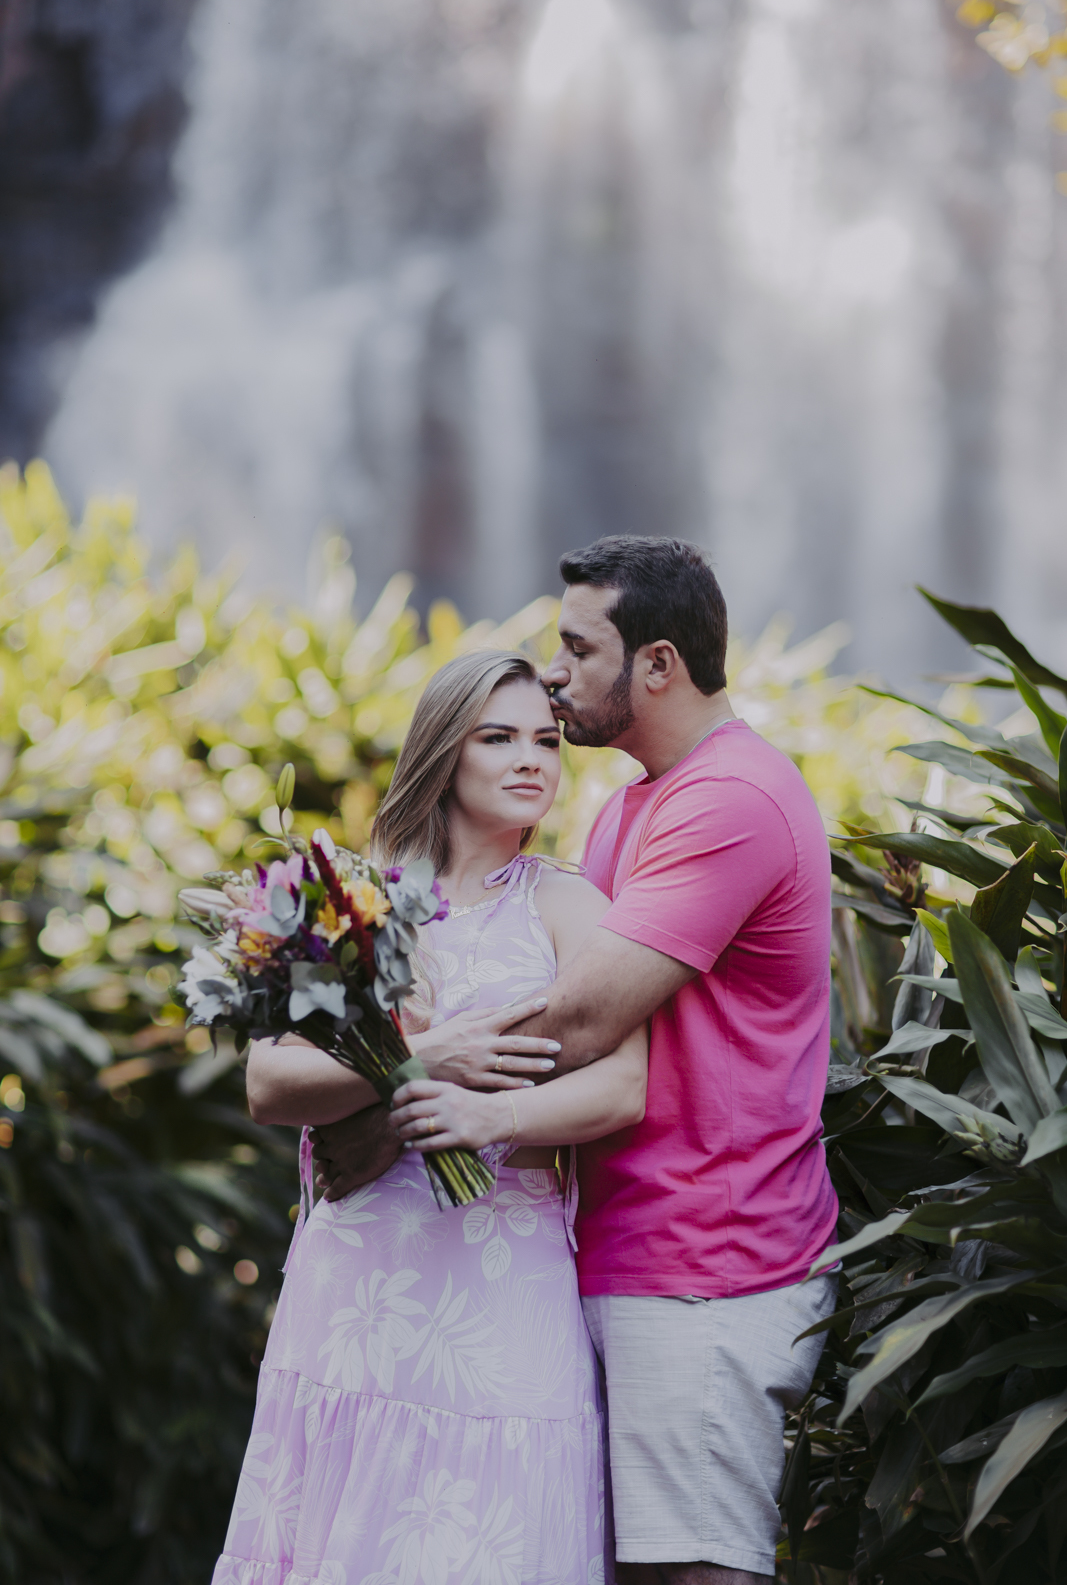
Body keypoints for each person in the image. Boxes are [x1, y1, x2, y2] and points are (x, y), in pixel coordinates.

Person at [315, 536, 839, 1585]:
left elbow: (587, 1019)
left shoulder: (728, 797)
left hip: (704, 1256)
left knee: (696, 1567)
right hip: (610, 1248)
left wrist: (395, 1088)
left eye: (577, 649)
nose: (553, 675)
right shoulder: (634, 803)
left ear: (657, 665)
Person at [212, 649, 646, 1585]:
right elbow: (269, 1084)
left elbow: (623, 1089)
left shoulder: (570, 906)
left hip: (505, 1268)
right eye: (498, 738)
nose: (530, 759)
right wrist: (419, 1061)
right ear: (445, 752)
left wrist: (491, 1116)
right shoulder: (349, 904)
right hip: (360, 1272)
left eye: (545, 741)